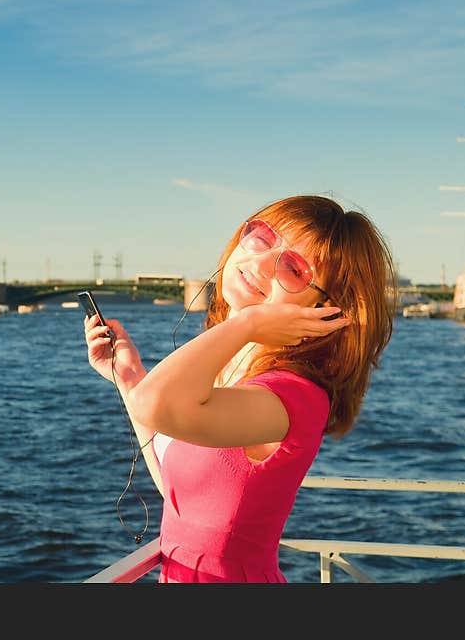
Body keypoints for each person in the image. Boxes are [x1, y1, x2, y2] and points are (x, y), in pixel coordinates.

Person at [83, 194, 396, 582]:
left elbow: (154, 404)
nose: (260, 264)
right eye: (263, 238)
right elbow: (183, 497)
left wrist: (245, 324)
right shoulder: (233, 372)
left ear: (324, 308)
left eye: (295, 269)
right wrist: (129, 377)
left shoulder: (292, 396)